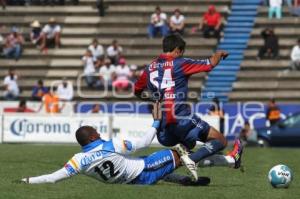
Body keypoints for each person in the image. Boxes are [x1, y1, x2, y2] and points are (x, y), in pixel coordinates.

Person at [19, 102, 242, 184]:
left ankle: (184, 180)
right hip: (144, 169)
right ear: (93, 137)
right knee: (186, 153)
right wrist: (156, 120)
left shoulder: (78, 161)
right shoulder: (110, 145)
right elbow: (145, 141)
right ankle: (231, 160)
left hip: (133, 180)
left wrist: (28, 180)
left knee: (177, 163)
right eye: (96, 131)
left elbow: (53, 178)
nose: (99, 132)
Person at [134, 34, 243, 176]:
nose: (181, 55)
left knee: (187, 148)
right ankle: (192, 159)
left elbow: (137, 91)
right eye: (182, 52)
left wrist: (154, 99)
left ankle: (228, 161)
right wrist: (219, 53)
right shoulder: (180, 62)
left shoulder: (149, 69)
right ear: (177, 50)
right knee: (220, 140)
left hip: (162, 127)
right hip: (180, 117)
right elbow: (210, 64)